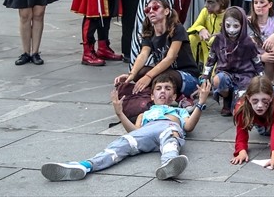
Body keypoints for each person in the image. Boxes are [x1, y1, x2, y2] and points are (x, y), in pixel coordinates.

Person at [41, 72, 211, 182]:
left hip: (168, 128)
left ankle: (169, 165)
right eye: (158, 88)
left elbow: (189, 126)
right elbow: (134, 132)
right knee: (122, 144)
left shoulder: (179, 111)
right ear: (152, 96)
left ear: (173, 96)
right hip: (145, 133)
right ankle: (84, 165)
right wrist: (120, 113)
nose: (162, 91)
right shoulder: (145, 114)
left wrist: (201, 103)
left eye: (167, 89)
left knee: (171, 141)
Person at [120, 0, 203, 99]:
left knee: (163, 77)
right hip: (165, 74)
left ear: (166, 11)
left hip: (187, 77)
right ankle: (154, 93)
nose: (151, 11)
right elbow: (143, 54)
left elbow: (171, 57)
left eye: (155, 8)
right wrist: (131, 75)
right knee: (139, 73)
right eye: (147, 10)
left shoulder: (177, 28)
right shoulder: (149, 32)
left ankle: (175, 96)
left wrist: (148, 76)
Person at [205, 6, 262, 115]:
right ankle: (227, 99)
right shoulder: (218, 40)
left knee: (238, 110)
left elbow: (257, 61)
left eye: (236, 26)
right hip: (225, 74)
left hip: (245, 76)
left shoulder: (248, 42)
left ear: (242, 25)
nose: (231, 30)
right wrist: (205, 77)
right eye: (228, 25)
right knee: (218, 80)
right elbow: (211, 59)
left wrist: (262, 78)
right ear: (223, 24)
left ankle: (237, 99)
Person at [186, 0, 230, 64]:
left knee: (214, 40)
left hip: (223, 55)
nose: (206, 5)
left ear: (222, 2)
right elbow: (190, 30)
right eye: (206, 0)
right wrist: (201, 29)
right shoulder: (205, 12)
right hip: (206, 51)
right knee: (192, 37)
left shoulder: (229, 16)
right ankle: (191, 67)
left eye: (210, 2)